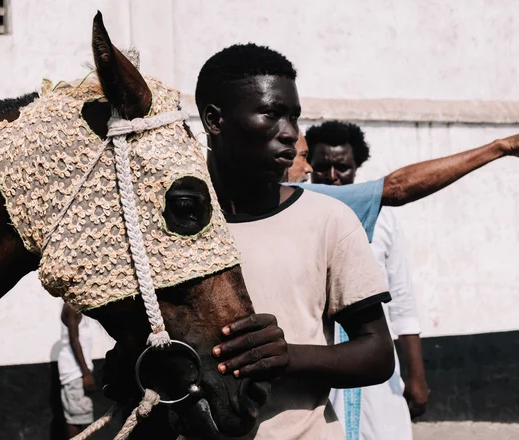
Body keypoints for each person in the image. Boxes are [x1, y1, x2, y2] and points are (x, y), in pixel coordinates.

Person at [195, 43, 519, 439]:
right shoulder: (168, 227)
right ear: (215, 120)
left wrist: (288, 356)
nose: (291, 134)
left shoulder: (328, 216)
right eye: (271, 113)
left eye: (294, 117)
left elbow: (379, 352)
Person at [306, 120, 428, 440]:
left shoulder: (384, 217)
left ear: (357, 166)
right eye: (323, 167)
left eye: (342, 168)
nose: (333, 177)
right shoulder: (298, 213)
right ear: (309, 166)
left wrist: (416, 375)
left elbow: (401, 299)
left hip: (377, 364)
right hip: (320, 360)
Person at [58, 303, 97, 439]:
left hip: (77, 373)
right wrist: (86, 374)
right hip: (75, 374)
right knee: (75, 420)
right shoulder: (71, 307)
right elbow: (74, 340)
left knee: (79, 419)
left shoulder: (77, 307)